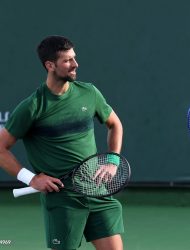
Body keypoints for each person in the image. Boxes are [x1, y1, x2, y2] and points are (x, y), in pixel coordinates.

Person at [0, 36, 124, 250]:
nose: (75, 65)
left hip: (96, 191)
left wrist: (112, 160)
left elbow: (115, 124)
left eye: (74, 58)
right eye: (67, 61)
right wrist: (31, 178)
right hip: (62, 200)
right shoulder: (32, 107)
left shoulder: (89, 93)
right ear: (50, 65)